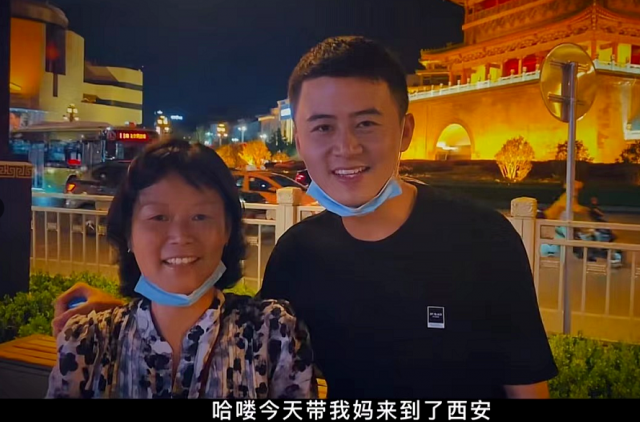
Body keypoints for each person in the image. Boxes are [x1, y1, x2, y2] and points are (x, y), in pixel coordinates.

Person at [52, 36, 557, 399]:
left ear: (404, 132)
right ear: (300, 139)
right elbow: (236, 326)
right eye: (323, 127)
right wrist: (125, 311)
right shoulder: (299, 253)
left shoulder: (483, 240)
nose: (346, 148)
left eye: (366, 123)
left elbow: (526, 386)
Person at [47, 139, 315, 399]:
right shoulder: (87, 342)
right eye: (159, 217)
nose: (180, 235)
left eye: (200, 217)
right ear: (129, 234)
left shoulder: (274, 334)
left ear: (227, 230)